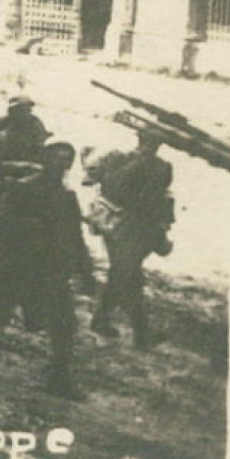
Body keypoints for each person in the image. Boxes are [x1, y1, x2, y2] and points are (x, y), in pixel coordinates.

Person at [0, 142, 95, 400]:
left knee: (64, 324)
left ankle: (59, 379)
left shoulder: (67, 196)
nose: (63, 164)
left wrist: (85, 271)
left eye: (68, 159)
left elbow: (75, 236)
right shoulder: (24, 189)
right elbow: (2, 225)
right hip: (22, 265)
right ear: (44, 159)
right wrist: (31, 235)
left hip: (52, 269)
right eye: (58, 158)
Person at [85, 130, 176, 349]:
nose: (152, 145)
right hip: (126, 225)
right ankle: (129, 330)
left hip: (126, 225)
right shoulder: (138, 162)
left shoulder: (146, 163)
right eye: (151, 141)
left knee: (127, 275)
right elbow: (122, 189)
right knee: (125, 275)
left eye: (154, 142)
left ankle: (132, 331)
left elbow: (160, 196)